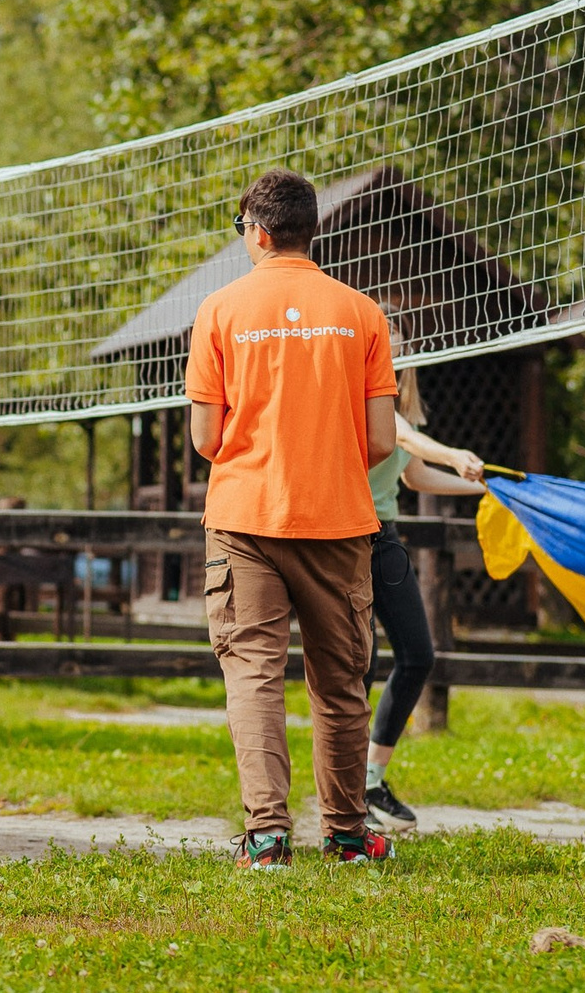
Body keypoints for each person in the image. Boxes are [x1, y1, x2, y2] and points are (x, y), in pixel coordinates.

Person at [187, 168, 399, 870]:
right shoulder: (363, 312)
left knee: (253, 674)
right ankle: (345, 833)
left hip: (244, 518)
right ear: (313, 228)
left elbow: (205, 440)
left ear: (256, 228)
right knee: (340, 681)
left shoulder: (219, 309)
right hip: (338, 521)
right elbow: (382, 442)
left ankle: (268, 836)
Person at [360, 414, 486, 828]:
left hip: (385, 539)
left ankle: (371, 780)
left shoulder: (403, 406)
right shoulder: (367, 392)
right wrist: (454, 456)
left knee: (418, 656)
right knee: (360, 667)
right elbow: (405, 438)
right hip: (345, 541)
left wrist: (485, 487)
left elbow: (414, 474)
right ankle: (345, 798)